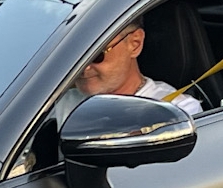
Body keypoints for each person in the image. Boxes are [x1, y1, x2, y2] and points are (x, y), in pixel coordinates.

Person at [58, 19, 203, 122]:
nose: (84, 67)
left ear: (135, 44)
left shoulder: (178, 113)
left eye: (97, 55)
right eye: (74, 56)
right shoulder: (52, 103)